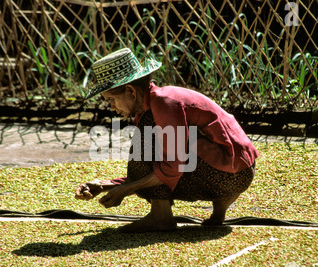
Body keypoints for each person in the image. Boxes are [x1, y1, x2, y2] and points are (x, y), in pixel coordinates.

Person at [75, 48, 259, 233]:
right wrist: (105, 185)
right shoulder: (160, 101)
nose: (112, 107)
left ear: (130, 90)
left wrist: (125, 190)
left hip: (227, 176)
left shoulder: (162, 106)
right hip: (240, 173)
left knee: (147, 132)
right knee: (153, 144)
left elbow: (171, 167)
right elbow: (160, 167)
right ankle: (218, 212)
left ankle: (160, 216)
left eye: (111, 99)